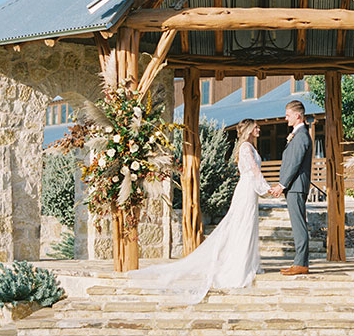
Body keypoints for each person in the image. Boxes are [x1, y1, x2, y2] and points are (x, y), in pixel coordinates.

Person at [125, 119, 271, 304]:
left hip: (249, 190)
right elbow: (254, 172)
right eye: (256, 127)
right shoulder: (245, 148)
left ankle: (246, 262)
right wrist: (267, 189)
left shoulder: (249, 146)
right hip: (247, 189)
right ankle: (237, 267)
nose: (259, 129)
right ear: (249, 129)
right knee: (242, 226)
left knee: (247, 226)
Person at [268, 100, 313, 275]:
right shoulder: (298, 134)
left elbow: (294, 163)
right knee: (297, 224)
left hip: (295, 187)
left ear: (297, 115)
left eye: (288, 115)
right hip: (293, 187)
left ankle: (301, 263)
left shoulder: (301, 136)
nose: (286, 118)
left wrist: (282, 185)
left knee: (299, 224)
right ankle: (299, 261)